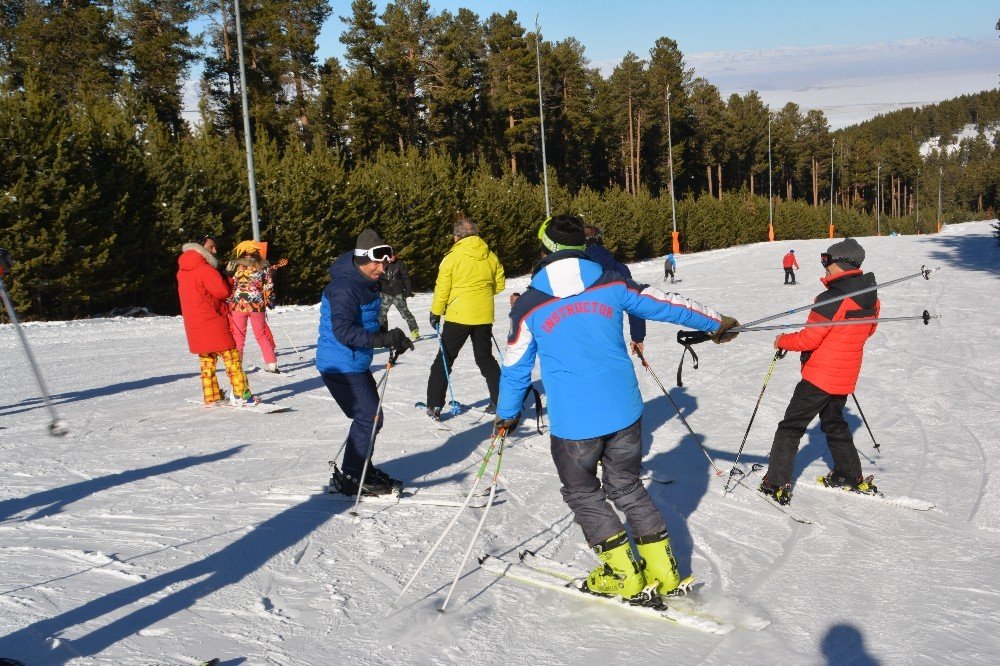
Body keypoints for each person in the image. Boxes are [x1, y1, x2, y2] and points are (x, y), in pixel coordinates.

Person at [493, 215, 739, 601]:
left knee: (583, 493)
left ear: (545, 251)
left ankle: (624, 575)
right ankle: (664, 572)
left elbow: (514, 369)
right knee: (625, 485)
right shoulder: (612, 283)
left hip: (576, 424)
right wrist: (715, 323)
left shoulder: (529, 305)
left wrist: (507, 414)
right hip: (624, 411)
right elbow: (666, 304)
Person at [759, 238, 879, 505]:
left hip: (819, 377)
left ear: (842, 263)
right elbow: (869, 330)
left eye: (827, 260)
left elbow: (808, 340)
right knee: (835, 424)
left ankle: (775, 482)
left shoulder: (831, 298)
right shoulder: (871, 295)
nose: (824, 266)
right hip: (845, 376)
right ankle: (848, 475)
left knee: (790, 427)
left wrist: (782, 341)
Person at [317, 229, 414, 496]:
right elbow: (344, 331)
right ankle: (352, 476)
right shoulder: (344, 287)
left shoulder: (365, 280)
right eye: (377, 263)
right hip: (340, 365)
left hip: (355, 361)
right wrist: (383, 339)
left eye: (385, 263)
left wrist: (392, 338)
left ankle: (360, 468)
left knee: (372, 417)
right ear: (361, 259)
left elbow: (370, 318)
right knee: (368, 418)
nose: (382, 269)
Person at [425, 217, 505, 419]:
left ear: (457, 236)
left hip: (459, 315)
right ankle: (502, 400)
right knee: (485, 358)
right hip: (483, 314)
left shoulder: (453, 256)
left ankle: (434, 405)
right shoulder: (490, 255)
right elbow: (500, 284)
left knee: (445, 358)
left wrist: (436, 312)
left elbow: (442, 287)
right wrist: (482, 295)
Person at [176, 240, 257, 406]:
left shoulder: (182, 271)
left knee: (207, 361)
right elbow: (222, 292)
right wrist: (228, 276)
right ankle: (242, 395)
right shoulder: (205, 270)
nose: (215, 249)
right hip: (213, 321)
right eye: (211, 246)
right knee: (232, 358)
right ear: (200, 248)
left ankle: (211, 395)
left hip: (194, 323)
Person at [583, 224, 645, 356]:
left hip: (578, 344)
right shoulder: (619, 269)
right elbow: (634, 304)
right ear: (600, 240)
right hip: (612, 345)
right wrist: (637, 337)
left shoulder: (573, 268)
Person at [226, 240, 281, 373]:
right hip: (257, 305)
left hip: (238, 305)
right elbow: (268, 285)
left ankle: (237, 366)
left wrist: (228, 298)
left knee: (238, 335)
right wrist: (270, 300)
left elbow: (228, 282)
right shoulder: (263, 265)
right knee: (261, 334)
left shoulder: (233, 265)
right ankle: (271, 363)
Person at [378, 253, 420, 341]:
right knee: (381, 315)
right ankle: (383, 335)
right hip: (386, 294)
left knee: (406, 314)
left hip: (398, 294)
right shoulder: (382, 264)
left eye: (393, 255)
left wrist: (408, 290)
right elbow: (376, 278)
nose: (391, 257)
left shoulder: (400, 264)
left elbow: (406, 278)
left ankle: (415, 332)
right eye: (389, 256)